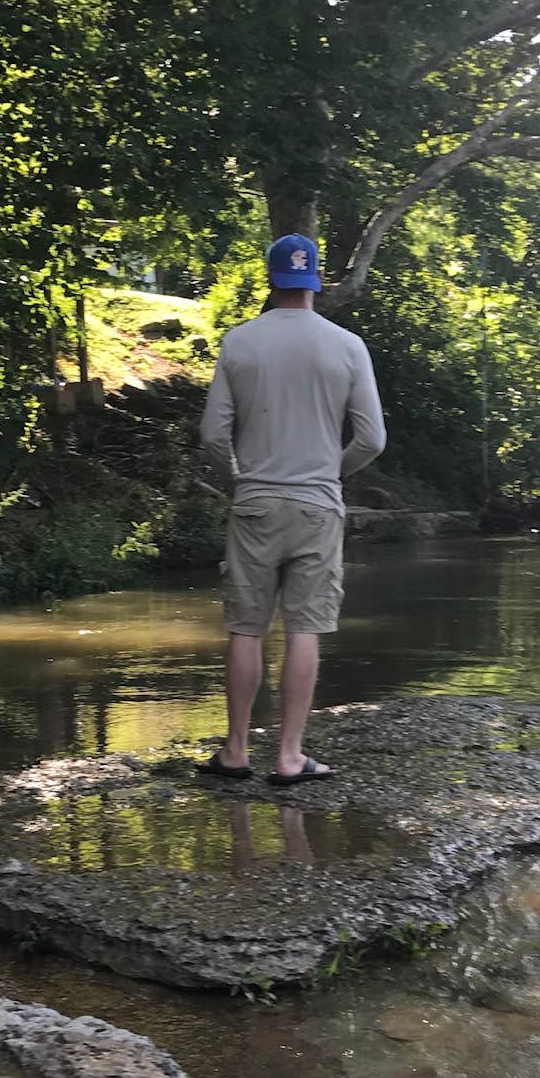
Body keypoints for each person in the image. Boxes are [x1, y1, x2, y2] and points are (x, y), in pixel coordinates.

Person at [197, 231, 386, 784]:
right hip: (318, 507)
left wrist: (237, 478)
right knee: (306, 628)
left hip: (254, 504)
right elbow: (372, 440)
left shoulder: (240, 342)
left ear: (271, 280)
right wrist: (331, 471)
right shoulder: (348, 346)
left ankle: (234, 751)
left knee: (246, 628)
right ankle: (288, 756)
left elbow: (213, 433)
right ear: (315, 281)